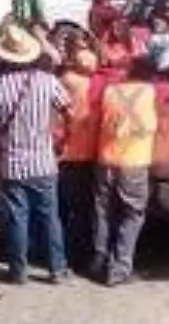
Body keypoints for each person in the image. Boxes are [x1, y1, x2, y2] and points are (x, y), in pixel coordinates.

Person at [0, 25, 73, 284]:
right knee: (50, 218)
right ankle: (57, 269)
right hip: (44, 160)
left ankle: (18, 270)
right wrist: (63, 140)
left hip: (11, 163)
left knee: (17, 218)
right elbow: (70, 112)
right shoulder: (47, 81)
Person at [93, 57, 162, 286]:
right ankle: (119, 268)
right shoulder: (151, 92)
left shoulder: (111, 91)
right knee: (132, 214)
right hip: (134, 161)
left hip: (106, 159)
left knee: (103, 211)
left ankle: (98, 260)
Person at [57, 43, 104, 266]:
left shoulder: (65, 81)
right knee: (83, 209)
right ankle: (80, 254)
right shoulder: (95, 86)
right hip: (88, 154)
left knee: (64, 209)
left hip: (65, 153)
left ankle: (61, 252)